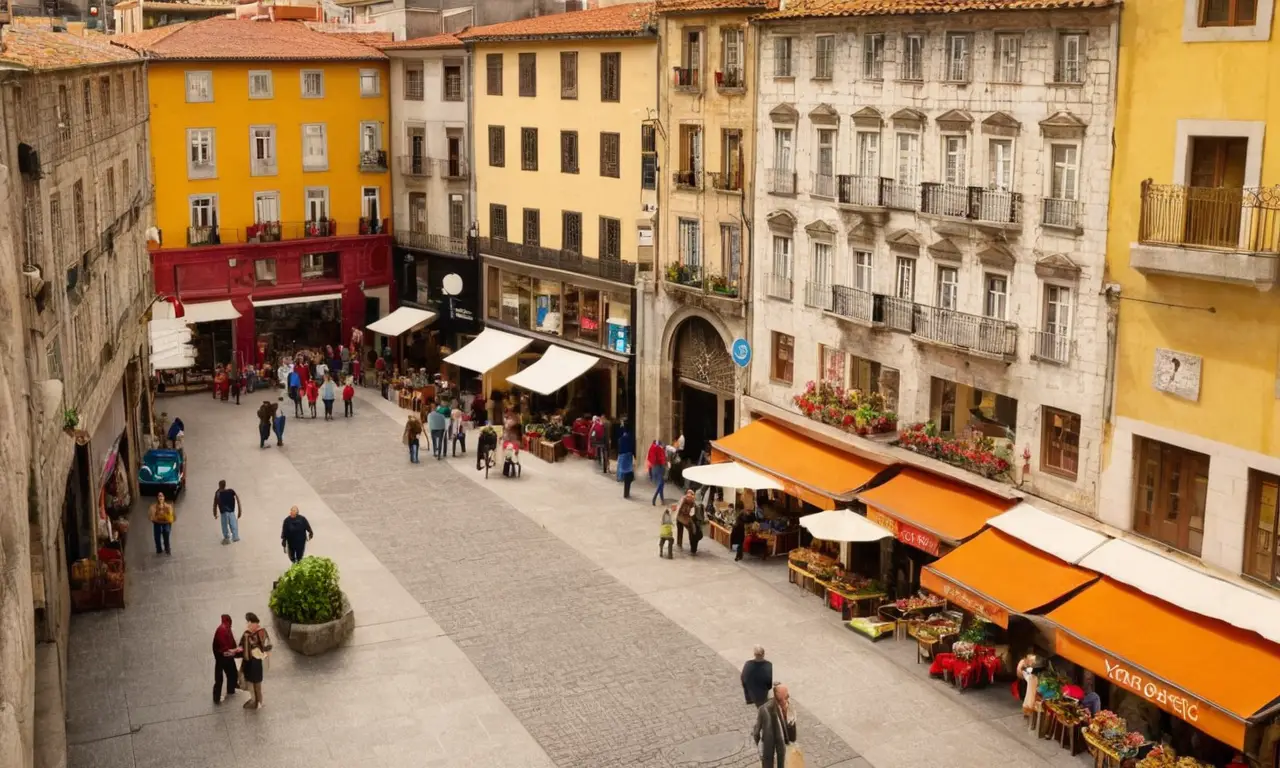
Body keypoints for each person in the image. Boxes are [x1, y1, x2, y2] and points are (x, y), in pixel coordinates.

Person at [752, 684, 797, 768]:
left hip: (780, 744)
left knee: (780, 761)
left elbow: (791, 727)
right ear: (779, 697)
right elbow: (756, 731)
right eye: (786, 697)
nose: (787, 699)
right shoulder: (764, 709)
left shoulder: (787, 707)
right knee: (769, 762)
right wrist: (758, 743)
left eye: (787, 696)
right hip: (769, 744)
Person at [237, 613, 272, 710]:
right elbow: (268, 646)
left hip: (251, 663)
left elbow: (243, 650)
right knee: (257, 684)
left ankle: (255, 702)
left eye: (247, 621)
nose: (247, 624)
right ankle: (259, 702)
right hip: (258, 663)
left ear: (250, 622)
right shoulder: (262, 631)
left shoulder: (247, 635)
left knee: (252, 683)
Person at [212, 614, 240, 704]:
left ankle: (229, 691)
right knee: (222, 677)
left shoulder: (225, 628)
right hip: (222, 656)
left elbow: (231, 641)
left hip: (224, 656)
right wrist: (235, 650)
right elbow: (225, 648)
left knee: (231, 673)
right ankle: (218, 697)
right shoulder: (223, 630)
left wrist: (234, 650)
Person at [212, 480, 241, 545]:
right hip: (231, 511)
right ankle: (235, 537)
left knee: (225, 526)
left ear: (219, 485)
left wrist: (215, 513)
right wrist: (239, 511)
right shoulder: (230, 491)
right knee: (233, 525)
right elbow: (238, 500)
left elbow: (215, 503)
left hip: (224, 512)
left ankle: (227, 538)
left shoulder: (218, 493)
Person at [648, 440, 667, 506]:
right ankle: (655, 497)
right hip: (659, 466)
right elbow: (662, 459)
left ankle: (662, 499)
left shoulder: (651, 448)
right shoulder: (659, 449)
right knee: (661, 483)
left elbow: (649, 458)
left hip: (654, 466)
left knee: (661, 483)